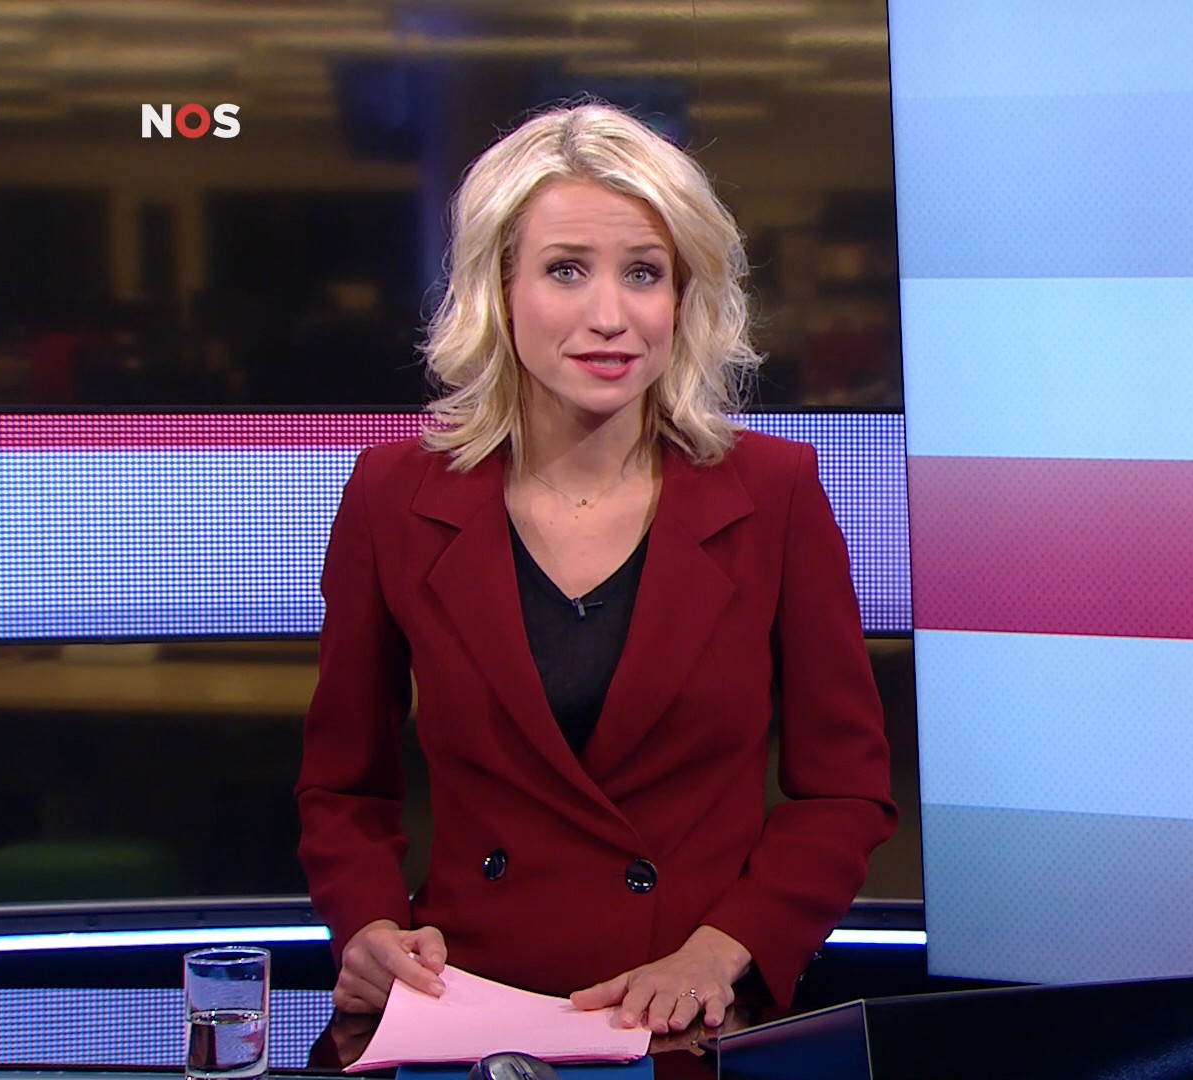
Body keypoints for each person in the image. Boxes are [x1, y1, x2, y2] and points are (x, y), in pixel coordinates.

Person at [294, 100, 898, 1038]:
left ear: (683, 298)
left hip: (685, 1014)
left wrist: (721, 949)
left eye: (644, 273)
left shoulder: (773, 491)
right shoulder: (393, 495)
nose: (610, 317)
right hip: (467, 1006)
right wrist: (368, 926)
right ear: (498, 288)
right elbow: (345, 786)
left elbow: (844, 791)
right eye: (566, 270)